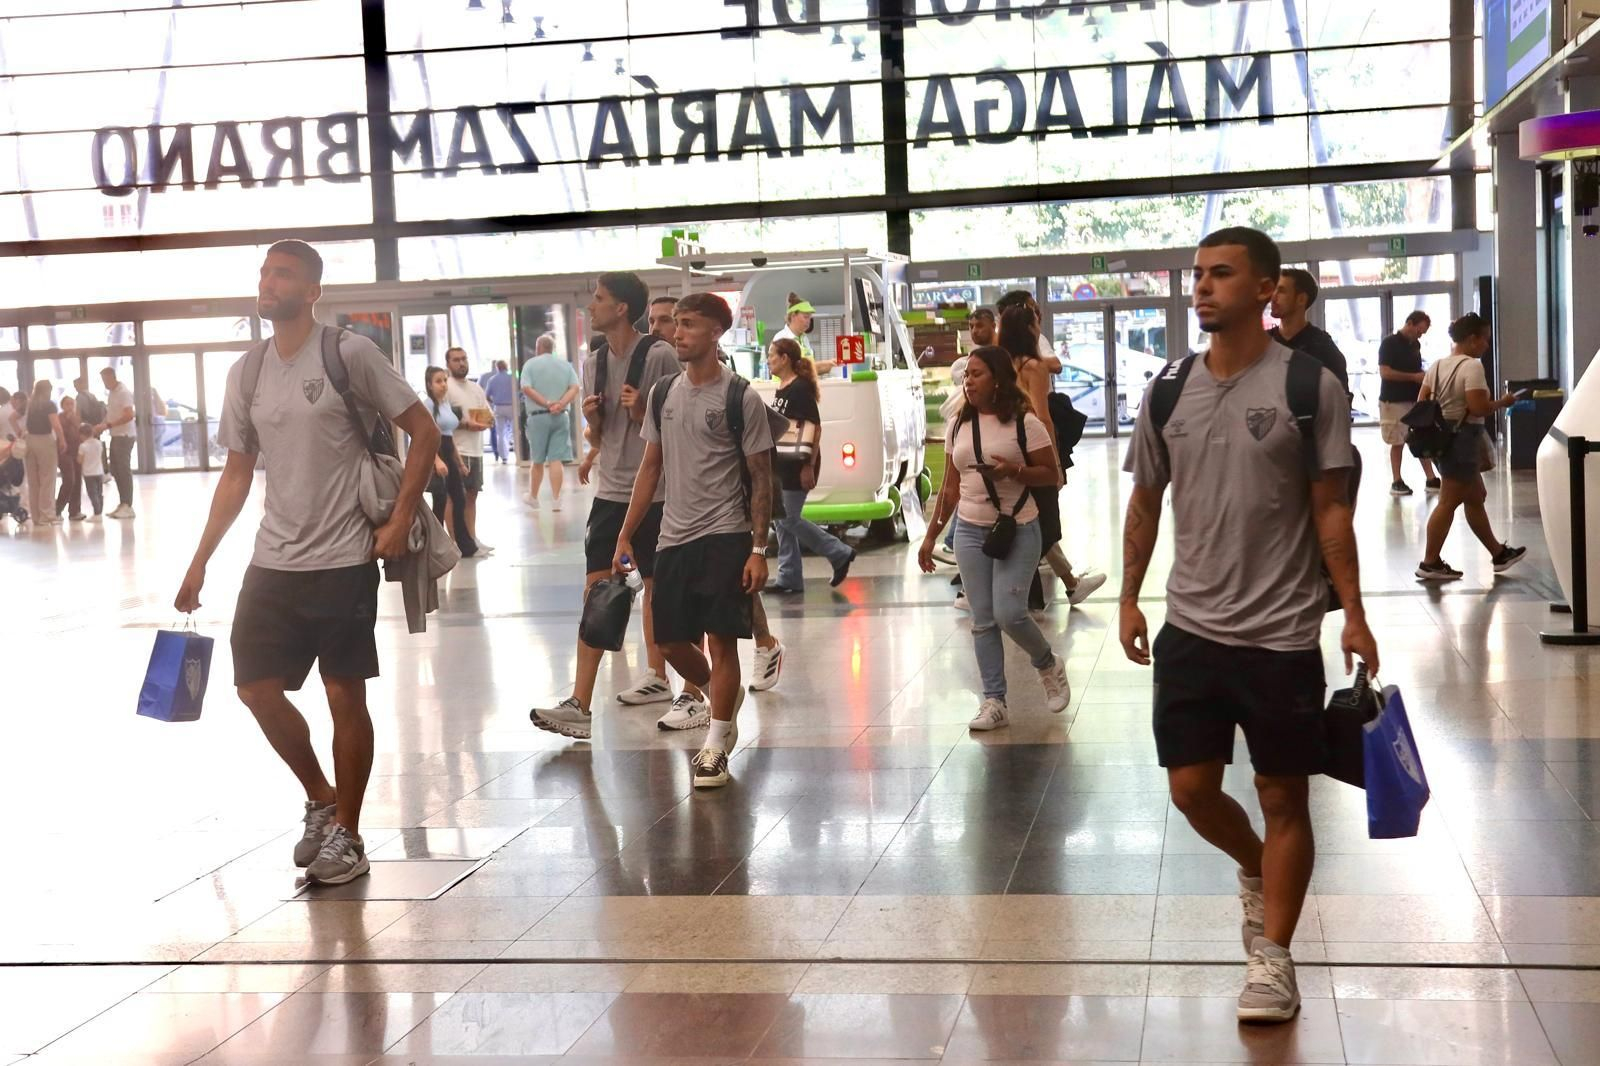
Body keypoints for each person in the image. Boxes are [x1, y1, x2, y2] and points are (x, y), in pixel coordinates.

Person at [1119, 227, 1377, 1025]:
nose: (1201, 287)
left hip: (1282, 629)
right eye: (1196, 274)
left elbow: (1332, 507)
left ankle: (1273, 955)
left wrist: (1355, 615)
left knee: (1282, 792)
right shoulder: (1167, 388)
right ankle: (1257, 871)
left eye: (1221, 274)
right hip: (1191, 624)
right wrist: (1128, 596)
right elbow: (1144, 501)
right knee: (1192, 790)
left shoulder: (1309, 385)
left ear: (1267, 290)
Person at [174, 239, 441, 886]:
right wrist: (200, 560)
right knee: (254, 688)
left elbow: (424, 430)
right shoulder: (248, 371)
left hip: (344, 553)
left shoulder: (347, 352)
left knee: (344, 693)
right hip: (273, 557)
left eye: (283, 274)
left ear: (312, 291)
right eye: (264, 272)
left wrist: (401, 517)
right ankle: (320, 796)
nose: (268, 283)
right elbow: (237, 472)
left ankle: (348, 835)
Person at [617, 291, 778, 788]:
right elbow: (650, 467)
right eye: (676, 324)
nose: (677, 332)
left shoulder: (741, 398)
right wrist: (625, 534)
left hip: (726, 536)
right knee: (668, 640)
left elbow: (761, 477)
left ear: (715, 333)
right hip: (673, 538)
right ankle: (721, 697)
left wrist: (757, 549)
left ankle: (717, 743)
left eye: (687, 325)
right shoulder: (664, 393)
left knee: (721, 640)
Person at [530, 272, 690, 739]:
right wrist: (593, 422)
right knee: (598, 594)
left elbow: (674, 425)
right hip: (610, 492)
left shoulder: (659, 355)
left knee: (662, 594)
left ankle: (685, 688)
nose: (591, 307)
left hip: (658, 493)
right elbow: (599, 436)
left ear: (621, 308)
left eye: (598, 300)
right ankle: (579, 704)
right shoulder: (593, 361)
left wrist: (643, 410)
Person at [918, 345, 1071, 731]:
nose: (968, 381)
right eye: (966, 374)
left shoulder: (1025, 423)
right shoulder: (958, 425)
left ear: (998, 379)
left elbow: (1049, 474)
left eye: (976, 374)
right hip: (970, 528)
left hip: (1018, 526)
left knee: (1009, 613)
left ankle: (1047, 663)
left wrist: (1014, 471)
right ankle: (994, 701)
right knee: (982, 619)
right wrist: (930, 535)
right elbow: (950, 489)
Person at [996, 295, 1107, 608]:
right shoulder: (1034, 366)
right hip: (1031, 446)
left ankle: (1060, 585)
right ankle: (1066, 584)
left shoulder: (999, 364)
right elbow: (1041, 414)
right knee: (1043, 522)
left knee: (1022, 515)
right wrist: (1054, 462)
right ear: (1029, 331)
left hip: (1003, 445)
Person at [1415, 313, 1526, 581]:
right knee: (1448, 501)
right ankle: (1430, 562)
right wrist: (1504, 402)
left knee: (1475, 497)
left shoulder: (1437, 365)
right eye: (1485, 339)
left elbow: (1422, 402)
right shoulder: (1472, 367)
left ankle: (1499, 553)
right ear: (1472, 339)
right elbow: (1478, 407)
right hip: (1463, 440)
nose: (1486, 346)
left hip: (1442, 439)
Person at [766, 337, 855, 593]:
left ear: (785, 359)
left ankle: (838, 552)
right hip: (784, 464)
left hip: (798, 465)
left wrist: (809, 465)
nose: (769, 359)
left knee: (789, 519)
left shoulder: (799, 388)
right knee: (782, 522)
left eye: (773, 355)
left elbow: (814, 429)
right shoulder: (783, 387)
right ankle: (789, 577)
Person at [1378, 311, 1440, 496]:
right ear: (1410, 323)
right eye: (1419, 331)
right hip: (1393, 399)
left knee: (1420, 437)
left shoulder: (1415, 345)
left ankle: (1430, 478)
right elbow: (1385, 372)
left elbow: (1415, 369)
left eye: (1422, 333)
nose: (1419, 336)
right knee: (1397, 441)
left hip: (1413, 400)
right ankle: (1396, 480)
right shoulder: (1389, 344)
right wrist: (1413, 377)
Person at [423, 366, 478, 558]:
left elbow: (449, 437)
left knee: (459, 498)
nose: (443, 385)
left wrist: (459, 462)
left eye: (445, 380)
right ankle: (435, 546)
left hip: (447, 450)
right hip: (435, 452)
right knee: (439, 500)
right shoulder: (428, 405)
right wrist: (436, 460)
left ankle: (465, 545)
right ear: (429, 385)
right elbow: (426, 436)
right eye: (438, 381)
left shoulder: (444, 404)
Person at [520, 333, 579, 511]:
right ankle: (556, 499)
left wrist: (547, 403)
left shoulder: (530, 364)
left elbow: (526, 388)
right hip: (561, 416)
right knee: (556, 459)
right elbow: (575, 387)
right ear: (552, 348)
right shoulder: (565, 365)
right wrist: (560, 404)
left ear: (538, 348)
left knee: (537, 460)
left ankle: (533, 496)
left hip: (538, 416)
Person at [444, 347, 494, 553]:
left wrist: (486, 421)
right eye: (456, 360)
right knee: (454, 496)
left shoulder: (476, 388)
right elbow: (443, 419)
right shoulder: (446, 387)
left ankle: (471, 539)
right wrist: (465, 424)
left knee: (472, 495)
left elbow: (487, 413)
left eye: (464, 359)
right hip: (457, 449)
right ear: (448, 364)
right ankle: (455, 541)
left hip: (475, 450)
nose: (461, 363)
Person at [1268, 268, 1350, 392]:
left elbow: (1339, 400)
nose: (1273, 297)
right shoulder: (1262, 343)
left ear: (1301, 299)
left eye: (1281, 291)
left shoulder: (1323, 348)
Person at [96, 366, 137, 519]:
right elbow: (111, 414)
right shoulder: (113, 393)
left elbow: (129, 415)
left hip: (124, 435)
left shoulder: (123, 393)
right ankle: (123, 502)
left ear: (112, 377)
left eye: (105, 380)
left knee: (123, 469)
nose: (104, 383)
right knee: (115, 469)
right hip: (116, 435)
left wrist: (108, 425)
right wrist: (102, 425)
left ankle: (128, 504)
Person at [22, 380, 62, 528]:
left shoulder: (30, 404)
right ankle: (47, 515)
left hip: (29, 440)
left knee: (33, 481)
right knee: (47, 478)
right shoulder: (49, 404)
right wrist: (62, 439)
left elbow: (19, 420)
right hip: (45, 440)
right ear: (47, 390)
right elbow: (56, 424)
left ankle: (36, 517)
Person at [772, 293, 836, 375]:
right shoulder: (782, 338)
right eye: (805, 317)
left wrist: (828, 365)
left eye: (810, 318)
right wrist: (822, 365)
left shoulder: (804, 339)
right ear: (793, 316)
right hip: (787, 387)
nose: (808, 321)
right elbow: (793, 370)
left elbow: (807, 369)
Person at [54, 395, 83, 521]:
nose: (70, 406)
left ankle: (75, 511)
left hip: (77, 451)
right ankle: (57, 509)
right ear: (62, 406)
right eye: (67, 404)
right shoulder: (59, 418)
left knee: (77, 481)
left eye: (72, 404)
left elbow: (80, 432)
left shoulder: (77, 418)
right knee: (69, 480)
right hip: (64, 453)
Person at [481, 360, 515, 463]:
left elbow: (486, 396)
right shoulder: (512, 378)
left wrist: (494, 401)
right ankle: (519, 455)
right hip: (512, 406)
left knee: (500, 433)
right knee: (515, 431)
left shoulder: (492, 379)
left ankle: (504, 457)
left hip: (498, 407)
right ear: (506, 367)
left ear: (497, 368)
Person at [78, 423, 105, 520]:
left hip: (89, 474)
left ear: (82, 435)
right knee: (99, 493)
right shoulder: (99, 443)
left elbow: (80, 460)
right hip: (99, 472)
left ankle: (97, 513)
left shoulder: (83, 446)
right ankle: (100, 511)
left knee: (92, 493)